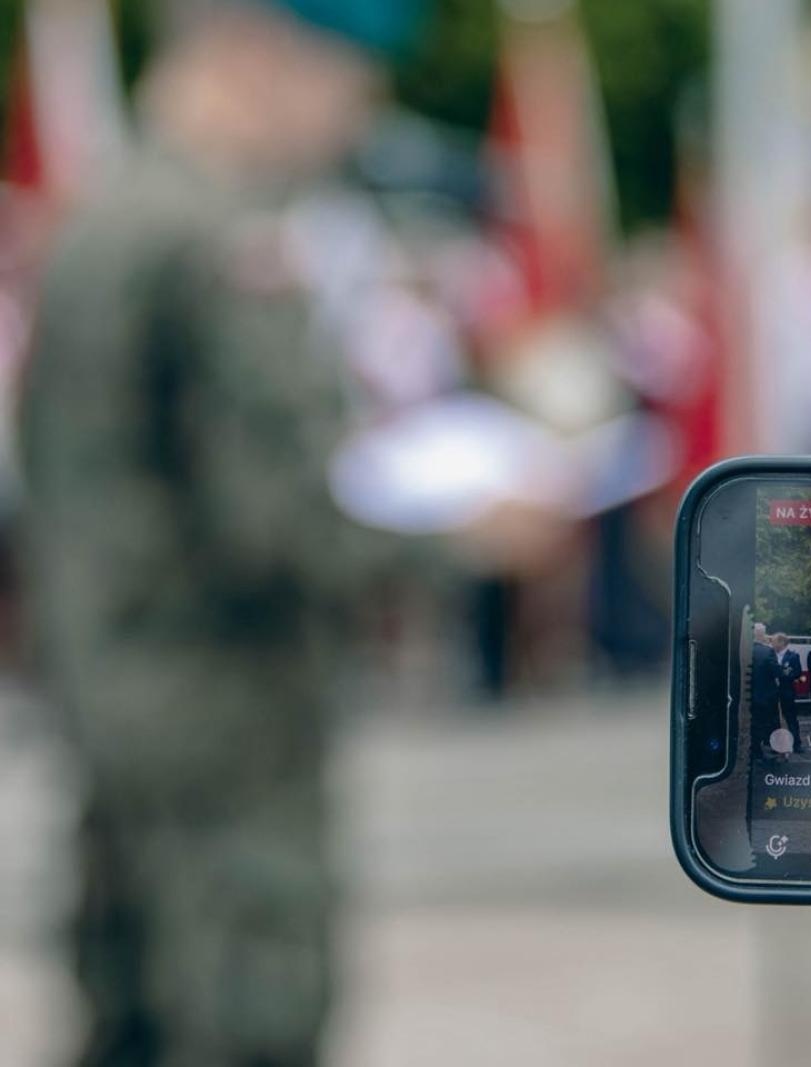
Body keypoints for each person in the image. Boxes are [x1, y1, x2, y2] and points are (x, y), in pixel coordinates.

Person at [12, 3, 554, 1062]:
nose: (355, 118)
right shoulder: (220, 242)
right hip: (227, 718)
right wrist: (467, 537)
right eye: (348, 82)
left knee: (128, 1021)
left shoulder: (99, 223)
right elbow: (277, 520)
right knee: (247, 1022)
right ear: (261, 54)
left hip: (115, 701)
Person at [751, 624, 783, 758]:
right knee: (766, 722)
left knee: (753, 723)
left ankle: (754, 750)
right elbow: (777, 672)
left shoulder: (744, 650)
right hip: (766, 696)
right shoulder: (768, 651)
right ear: (762, 635)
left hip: (749, 694)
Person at [773, 633, 805, 751]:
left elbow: (797, 673)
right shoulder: (771, 655)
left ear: (782, 642)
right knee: (775, 719)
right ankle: (776, 745)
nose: (773, 644)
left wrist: (782, 676)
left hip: (787, 692)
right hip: (773, 692)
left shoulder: (793, 656)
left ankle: (796, 743)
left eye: (775, 641)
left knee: (791, 718)